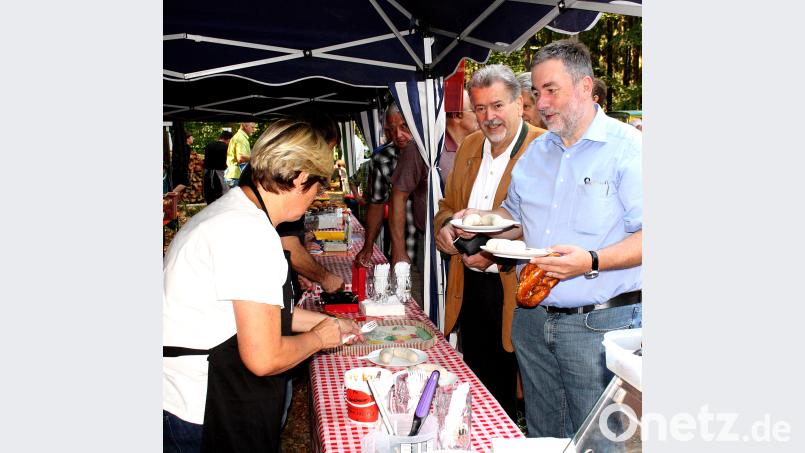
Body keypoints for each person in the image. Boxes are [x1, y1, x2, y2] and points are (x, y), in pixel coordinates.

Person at [453, 40, 642, 438]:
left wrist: (591, 261)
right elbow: (515, 216)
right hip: (532, 318)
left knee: (599, 440)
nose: (542, 103)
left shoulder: (630, 150)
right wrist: (483, 221)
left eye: (551, 90)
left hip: (600, 325)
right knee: (544, 434)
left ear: (586, 86)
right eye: (537, 93)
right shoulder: (538, 152)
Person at [163, 119, 362, 452]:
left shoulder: (233, 212)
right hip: (199, 407)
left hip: (180, 395)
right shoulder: (249, 233)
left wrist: (331, 322)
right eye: (318, 186)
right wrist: (318, 339)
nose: (317, 196)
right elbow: (264, 357)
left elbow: (261, 312)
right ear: (301, 178)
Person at [434, 65, 545, 420]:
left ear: (519, 103)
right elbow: (447, 208)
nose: (488, 117)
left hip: (521, 289)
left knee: (521, 386)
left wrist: (493, 254)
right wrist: (445, 230)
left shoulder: (543, 147)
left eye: (497, 106)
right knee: (480, 379)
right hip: (469, 285)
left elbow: (548, 223)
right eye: (480, 108)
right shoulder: (469, 145)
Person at [353, 103, 414, 268]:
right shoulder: (382, 158)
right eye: (391, 129)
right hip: (400, 247)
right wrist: (368, 246)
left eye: (404, 126)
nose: (398, 135)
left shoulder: (433, 156)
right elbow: (377, 204)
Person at [439, 89, 480, 182]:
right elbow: (400, 194)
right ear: (456, 116)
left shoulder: (480, 145)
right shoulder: (431, 150)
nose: (480, 115)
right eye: (474, 110)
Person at [202, 130, 233, 204]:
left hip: (207, 175)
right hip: (220, 175)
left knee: (209, 198)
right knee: (223, 198)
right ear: (228, 139)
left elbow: (205, 161)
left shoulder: (209, 145)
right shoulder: (226, 147)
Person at [224, 122, 257, 187]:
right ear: (245, 126)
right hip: (236, 176)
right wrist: (257, 158)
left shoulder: (240, 137)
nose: (254, 130)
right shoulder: (241, 138)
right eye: (252, 127)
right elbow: (241, 158)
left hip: (233, 175)